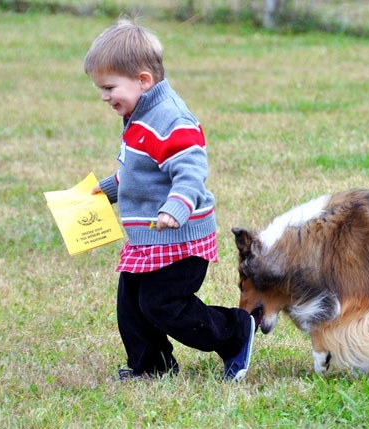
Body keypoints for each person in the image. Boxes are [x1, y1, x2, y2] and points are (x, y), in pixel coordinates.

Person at [83, 18, 255, 382]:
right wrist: (107, 189)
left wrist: (175, 208)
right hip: (150, 237)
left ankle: (234, 331)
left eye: (109, 87)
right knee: (131, 304)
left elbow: (190, 172)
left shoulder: (170, 118)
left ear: (143, 81)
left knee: (162, 304)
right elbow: (140, 173)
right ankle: (152, 366)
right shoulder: (138, 116)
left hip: (181, 237)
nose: (104, 96)